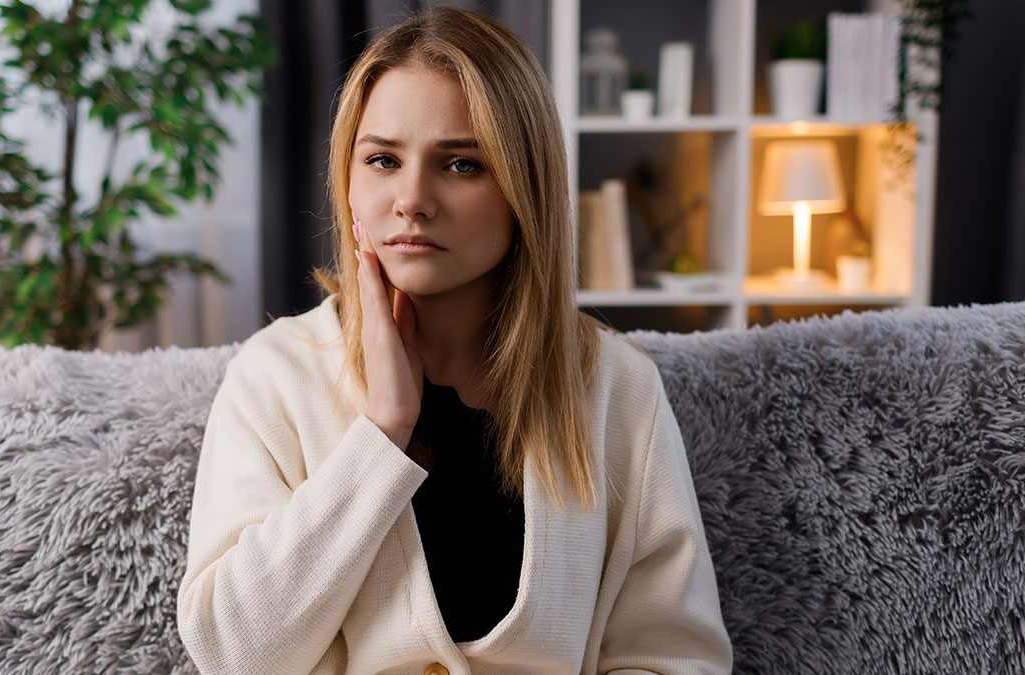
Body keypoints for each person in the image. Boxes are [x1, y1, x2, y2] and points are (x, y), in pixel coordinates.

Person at [176, 8, 732, 674]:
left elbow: (675, 654)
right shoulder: (274, 375)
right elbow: (233, 653)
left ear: (524, 186)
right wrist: (381, 433)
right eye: (382, 159)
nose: (412, 199)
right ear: (346, 179)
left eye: (462, 164)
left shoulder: (616, 387)